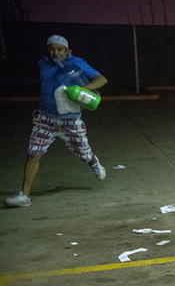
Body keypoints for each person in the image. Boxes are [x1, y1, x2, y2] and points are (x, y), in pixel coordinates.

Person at [6, 35, 108, 208]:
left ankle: (93, 162)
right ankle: (25, 196)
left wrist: (82, 89)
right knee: (34, 153)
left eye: (60, 49)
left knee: (83, 154)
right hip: (45, 118)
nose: (55, 53)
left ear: (68, 50)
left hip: (70, 119)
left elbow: (101, 79)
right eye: (52, 49)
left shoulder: (77, 63)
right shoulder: (43, 63)